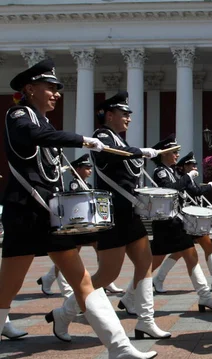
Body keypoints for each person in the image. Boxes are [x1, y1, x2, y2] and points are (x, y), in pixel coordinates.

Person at [0, 60, 156, 359]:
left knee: (83, 279)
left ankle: (119, 346)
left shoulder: (41, 118)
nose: (56, 93)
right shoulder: (19, 116)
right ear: (30, 89)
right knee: (7, 289)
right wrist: (84, 140)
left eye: (57, 88)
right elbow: (36, 137)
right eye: (50, 87)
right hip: (24, 213)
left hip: (48, 214)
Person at [47, 91, 171, 341]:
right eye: (124, 114)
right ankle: (65, 313)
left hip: (130, 211)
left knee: (145, 263)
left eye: (129, 115)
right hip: (113, 212)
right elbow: (114, 154)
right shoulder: (102, 136)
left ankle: (146, 320)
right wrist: (141, 152)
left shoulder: (119, 139)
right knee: (107, 275)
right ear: (110, 115)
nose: (128, 119)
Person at [119, 140, 212, 313]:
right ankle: (205, 297)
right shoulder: (160, 172)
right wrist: (188, 177)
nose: (177, 155)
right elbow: (170, 190)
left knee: (152, 263)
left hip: (172, 222)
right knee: (189, 256)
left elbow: (190, 190)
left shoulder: (172, 171)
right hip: (168, 223)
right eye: (174, 152)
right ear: (164, 154)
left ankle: (129, 296)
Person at [36, 154, 124, 297]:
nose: (89, 170)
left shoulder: (87, 185)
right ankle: (51, 280)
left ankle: (105, 279)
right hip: (79, 223)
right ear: (77, 169)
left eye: (90, 167)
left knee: (92, 249)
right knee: (69, 255)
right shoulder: (75, 184)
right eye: (86, 168)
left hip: (87, 224)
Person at [152, 151, 212, 292]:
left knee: (197, 249)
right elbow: (196, 191)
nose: (194, 166)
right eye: (190, 164)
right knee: (176, 253)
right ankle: (148, 282)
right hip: (185, 221)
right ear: (182, 167)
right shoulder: (183, 178)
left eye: (195, 164)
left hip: (192, 220)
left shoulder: (184, 178)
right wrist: (210, 186)